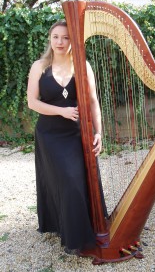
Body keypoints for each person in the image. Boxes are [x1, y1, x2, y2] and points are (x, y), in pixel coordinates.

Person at [27, 20, 103, 253]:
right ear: (50, 40)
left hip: (76, 133)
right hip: (50, 135)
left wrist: (99, 132)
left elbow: (92, 101)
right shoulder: (39, 66)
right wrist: (61, 110)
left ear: (74, 41)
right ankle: (73, 236)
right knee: (67, 182)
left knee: (81, 181)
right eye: (56, 37)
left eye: (66, 37)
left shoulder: (83, 66)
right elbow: (32, 102)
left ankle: (84, 227)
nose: (60, 42)